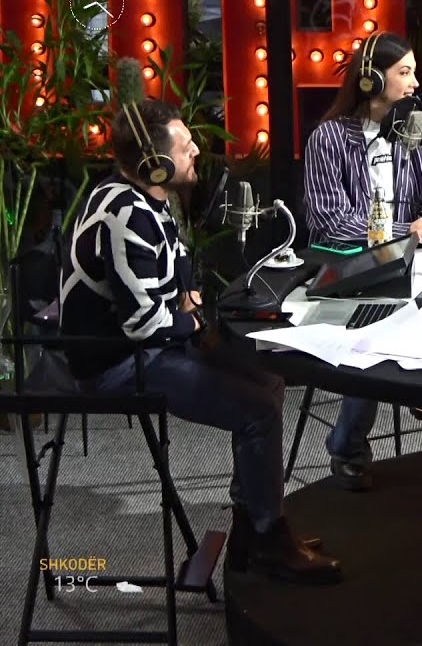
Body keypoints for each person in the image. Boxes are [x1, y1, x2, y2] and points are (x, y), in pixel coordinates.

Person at [59, 98, 341, 584]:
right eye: (185, 145)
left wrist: (188, 309)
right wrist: (194, 324)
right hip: (119, 364)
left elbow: (178, 275)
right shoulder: (126, 215)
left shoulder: (148, 200)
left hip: (151, 346)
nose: (195, 151)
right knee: (257, 411)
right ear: (156, 163)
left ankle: (251, 528)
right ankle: (270, 537)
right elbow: (146, 323)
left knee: (269, 380)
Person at [304, 31, 422, 491]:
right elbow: (330, 221)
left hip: (411, 262)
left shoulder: (418, 134)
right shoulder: (329, 139)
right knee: (377, 322)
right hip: (349, 268)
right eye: (405, 73)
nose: (415, 83)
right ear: (371, 79)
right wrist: (404, 231)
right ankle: (348, 446)